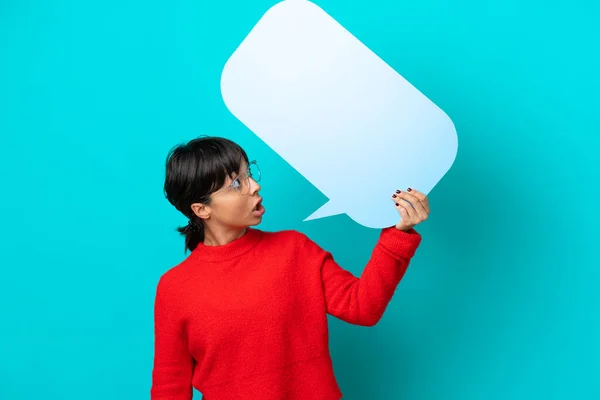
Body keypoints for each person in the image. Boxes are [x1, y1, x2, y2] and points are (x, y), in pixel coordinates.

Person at [151, 136, 430, 400]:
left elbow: (362, 307)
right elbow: (170, 384)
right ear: (202, 210)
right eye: (236, 184)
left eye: (249, 174)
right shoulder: (175, 287)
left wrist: (400, 233)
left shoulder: (294, 249)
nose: (254, 187)